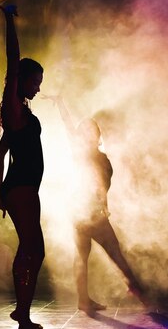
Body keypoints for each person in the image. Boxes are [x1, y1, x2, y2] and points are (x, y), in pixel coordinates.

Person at [54, 95, 146, 314]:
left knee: (83, 255)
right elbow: (69, 127)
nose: (89, 132)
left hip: (82, 211)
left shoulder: (97, 157)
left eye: (92, 129)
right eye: (86, 130)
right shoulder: (83, 153)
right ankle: (141, 293)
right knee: (114, 252)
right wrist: (61, 103)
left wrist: (104, 203)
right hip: (86, 211)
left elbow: (101, 184)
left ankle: (84, 300)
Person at [0, 4, 45, 329]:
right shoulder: (14, 109)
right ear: (22, 80)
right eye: (36, 82)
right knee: (34, 250)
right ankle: (22, 315)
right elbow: (12, 60)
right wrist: (9, 19)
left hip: (21, 190)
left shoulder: (19, 117)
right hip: (22, 190)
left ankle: (21, 311)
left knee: (31, 250)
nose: (38, 87)